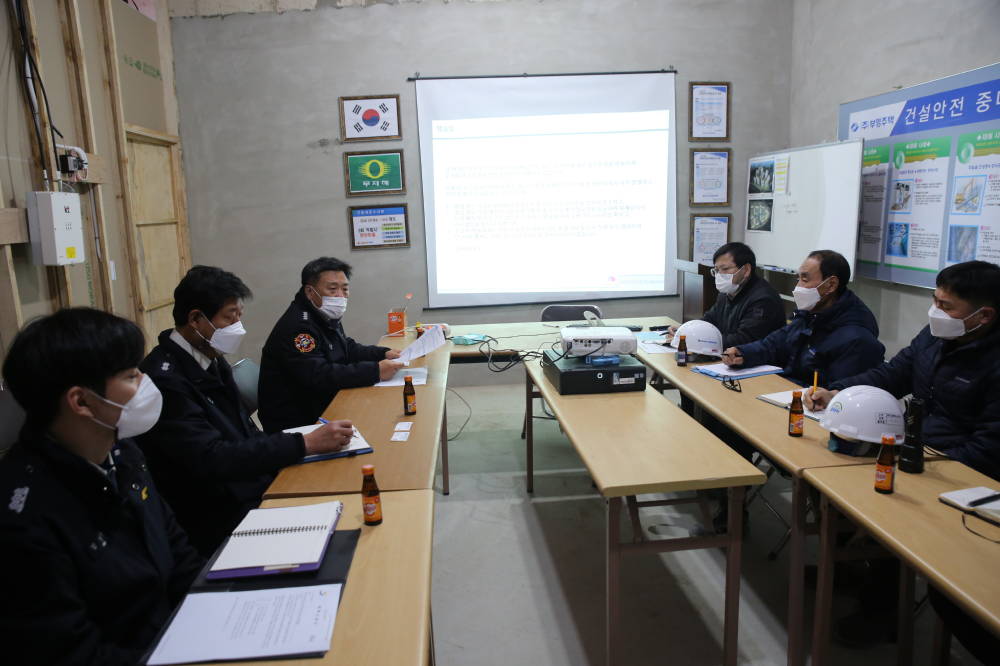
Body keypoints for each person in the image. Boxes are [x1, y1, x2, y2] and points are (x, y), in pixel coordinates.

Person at [804, 260, 1000, 655]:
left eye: (946, 306)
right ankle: (853, 565)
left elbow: (987, 452)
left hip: (962, 474)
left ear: (984, 315)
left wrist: (914, 465)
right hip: (916, 449)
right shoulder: (936, 335)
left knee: (883, 505)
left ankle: (885, 608)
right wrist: (839, 392)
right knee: (829, 479)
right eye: (935, 300)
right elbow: (892, 374)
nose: (935, 311)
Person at [0, 308, 205, 664]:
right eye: (130, 375)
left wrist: (221, 611)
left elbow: (179, 555)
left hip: (176, 638)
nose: (145, 382)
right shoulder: (25, 522)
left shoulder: (122, 452)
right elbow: (72, 654)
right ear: (81, 401)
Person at [136, 266, 355, 556]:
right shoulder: (166, 382)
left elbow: (245, 427)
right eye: (230, 317)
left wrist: (290, 453)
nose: (237, 325)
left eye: (240, 315)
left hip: (245, 482)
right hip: (215, 511)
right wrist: (302, 444)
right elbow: (213, 458)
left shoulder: (208, 356)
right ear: (196, 319)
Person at [258, 257, 404, 434]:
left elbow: (345, 348)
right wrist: (375, 371)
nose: (340, 296)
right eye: (333, 289)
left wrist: (383, 353)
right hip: (298, 421)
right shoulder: (298, 328)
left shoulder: (321, 313)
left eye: (345, 289)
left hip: (321, 401)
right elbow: (319, 375)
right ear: (310, 292)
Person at [721, 249, 885, 388]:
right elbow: (774, 345)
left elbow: (837, 395)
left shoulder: (857, 339)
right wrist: (742, 353)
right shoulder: (808, 315)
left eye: (805, 280)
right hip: (787, 393)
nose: (798, 286)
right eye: (798, 279)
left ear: (831, 284)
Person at [665, 242, 786, 348]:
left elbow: (744, 340)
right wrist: (684, 331)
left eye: (725, 269)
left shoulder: (763, 299)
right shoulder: (727, 292)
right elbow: (708, 321)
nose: (719, 275)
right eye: (717, 270)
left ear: (746, 270)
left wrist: (693, 340)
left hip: (759, 362)